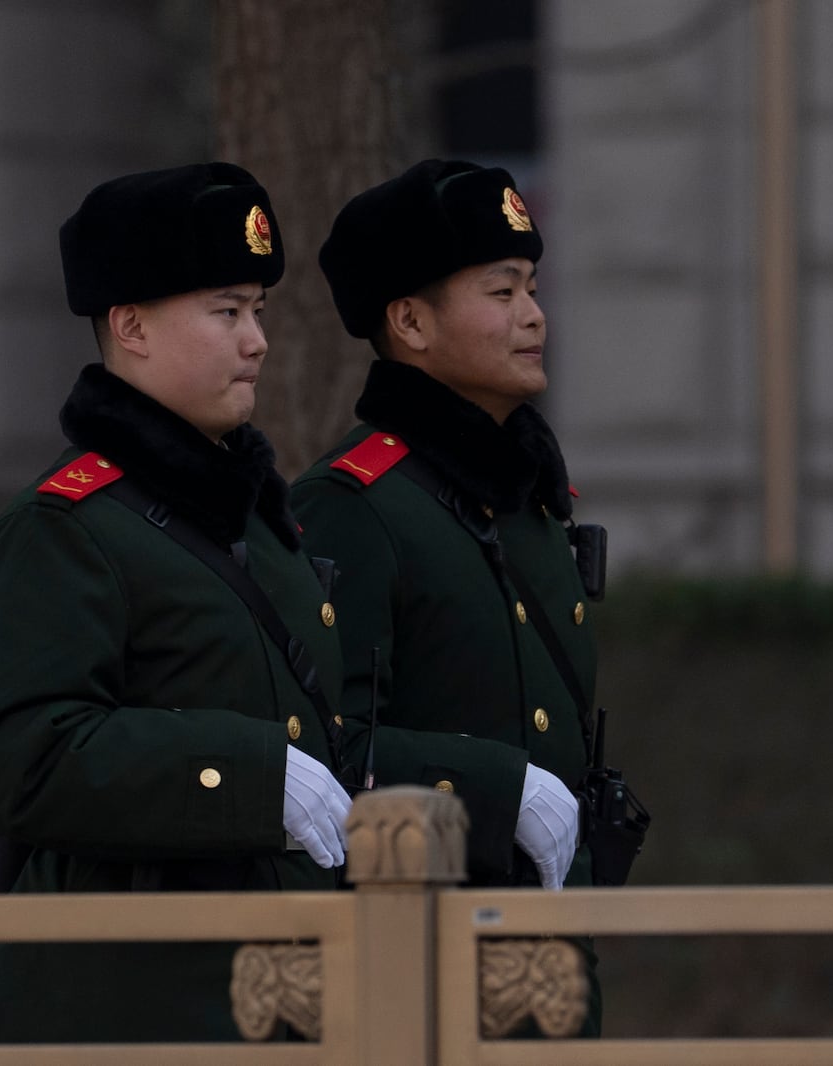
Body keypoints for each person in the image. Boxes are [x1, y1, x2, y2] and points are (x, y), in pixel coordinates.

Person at [0, 162, 352, 1043]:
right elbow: (22, 754)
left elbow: (324, 744)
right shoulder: (64, 528)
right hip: (121, 1016)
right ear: (130, 325)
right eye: (225, 311)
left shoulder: (258, 525)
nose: (256, 341)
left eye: (257, 311)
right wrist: (241, 772)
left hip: (275, 1006)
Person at [290, 158, 609, 1035]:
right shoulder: (355, 505)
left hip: (546, 947)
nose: (535, 315)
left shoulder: (531, 496)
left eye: (533, 287)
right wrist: (502, 791)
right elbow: (325, 744)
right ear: (411, 322)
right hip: (416, 964)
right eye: (501, 291)